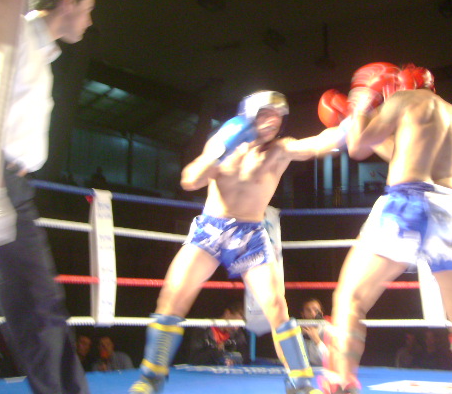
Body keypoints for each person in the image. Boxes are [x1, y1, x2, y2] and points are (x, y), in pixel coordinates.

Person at [128, 90, 346, 394]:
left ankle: (300, 383)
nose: (272, 121)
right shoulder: (223, 143)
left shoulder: (279, 150)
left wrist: (351, 123)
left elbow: (316, 144)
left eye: (277, 116)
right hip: (210, 230)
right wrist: (217, 153)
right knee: (172, 296)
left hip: (250, 236)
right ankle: (151, 378)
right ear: (249, 116)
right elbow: (189, 180)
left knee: (276, 306)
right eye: (266, 114)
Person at [321, 62, 452, 394]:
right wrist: (356, 120)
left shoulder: (401, 101)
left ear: (397, 87)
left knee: (349, 299)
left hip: (405, 204)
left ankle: (340, 382)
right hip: (448, 208)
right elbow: (399, 152)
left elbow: (358, 147)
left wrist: (359, 105)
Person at [0, 0, 94, 394]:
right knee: (36, 302)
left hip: (6, 182)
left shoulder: (38, 52)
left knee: (35, 303)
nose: (90, 21)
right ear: (68, 2)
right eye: (88, 10)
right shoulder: (13, 36)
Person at [181, 302, 249, 366]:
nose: (235, 327)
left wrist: (234, 361)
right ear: (227, 313)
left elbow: (245, 357)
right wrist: (216, 350)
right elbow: (193, 359)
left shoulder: (238, 334)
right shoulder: (202, 329)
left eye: (239, 324)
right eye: (234, 322)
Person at [300, 298, 329, 367]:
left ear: (321, 313)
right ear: (303, 314)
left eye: (316, 310)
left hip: (324, 369)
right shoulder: (298, 330)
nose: (312, 314)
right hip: (305, 370)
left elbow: (331, 361)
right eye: (308, 310)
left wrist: (317, 340)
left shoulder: (328, 330)